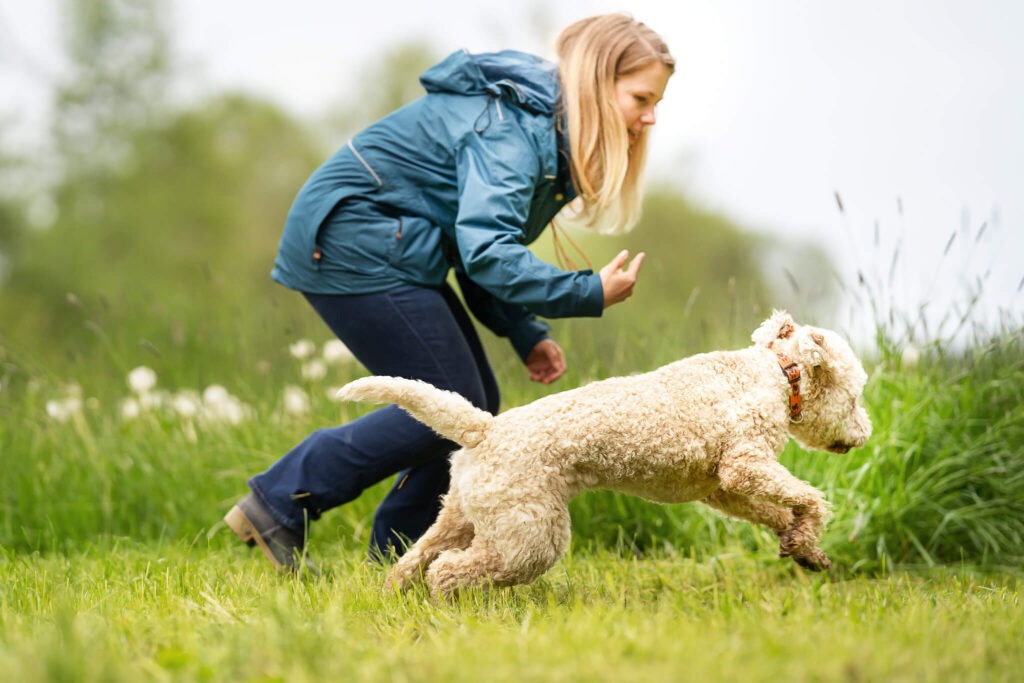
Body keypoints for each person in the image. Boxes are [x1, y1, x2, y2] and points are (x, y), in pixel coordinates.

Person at [223, 13, 674, 573]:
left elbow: (475, 245)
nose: (651, 117)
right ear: (598, 83)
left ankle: (399, 553)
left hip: (398, 247)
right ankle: (279, 498)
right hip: (353, 239)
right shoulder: (515, 129)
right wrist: (585, 291)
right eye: (641, 98)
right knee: (457, 405)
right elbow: (486, 251)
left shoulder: (543, 128)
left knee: (469, 407)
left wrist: (524, 331)